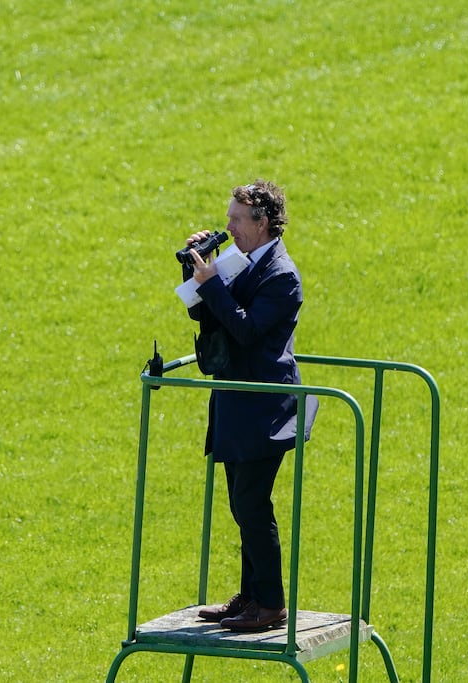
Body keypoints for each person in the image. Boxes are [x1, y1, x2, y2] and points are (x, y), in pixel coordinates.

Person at [181, 179, 316, 632]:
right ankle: (251, 595)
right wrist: (196, 272)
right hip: (236, 406)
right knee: (242, 506)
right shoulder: (240, 261)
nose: (229, 226)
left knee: (252, 503)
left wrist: (214, 281)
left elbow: (245, 330)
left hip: (264, 410)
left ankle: (271, 603)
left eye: (237, 219)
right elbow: (207, 314)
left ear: (262, 222)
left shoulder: (282, 275)